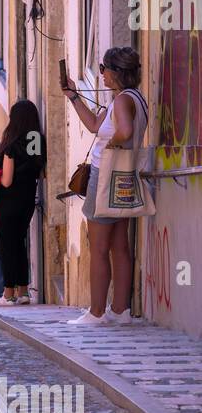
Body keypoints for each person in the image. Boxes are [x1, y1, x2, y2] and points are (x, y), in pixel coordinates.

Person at [63, 45, 148, 325]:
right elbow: (94, 125)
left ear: (115, 72)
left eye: (103, 69)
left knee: (98, 247)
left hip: (107, 176)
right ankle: (120, 311)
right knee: (119, 245)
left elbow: (124, 131)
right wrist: (74, 97)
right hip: (124, 177)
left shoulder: (122, 101)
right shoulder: (131, 98)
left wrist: (112, 145)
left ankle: (96, 312)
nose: (101, 74)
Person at [0, 100, 46, 305]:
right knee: (20, 245)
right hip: (27, 201)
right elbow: (38, 171)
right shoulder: (36, 140)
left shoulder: (11, 145)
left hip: (7, 202)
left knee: (7, 246)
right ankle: (23, 291)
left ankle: (8, 293)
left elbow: (6, 180)